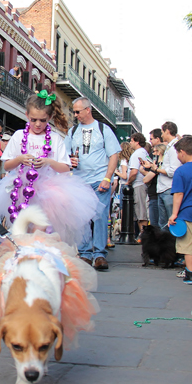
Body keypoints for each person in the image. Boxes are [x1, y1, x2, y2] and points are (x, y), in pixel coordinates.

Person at [0, 93, 98, 248]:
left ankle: (39, 258)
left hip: (49, 193)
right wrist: (20, 159)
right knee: (21, 231)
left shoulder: (55, 139)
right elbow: (7, 165)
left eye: (42, 120)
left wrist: (48, 161)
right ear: (27, 115)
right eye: (33, 119)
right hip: (20, 189)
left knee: (40, 232)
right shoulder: (19, 135)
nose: (37, 124)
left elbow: (65, 168)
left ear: (49, 117)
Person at [67, 97, 121, 270]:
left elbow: (114, 155)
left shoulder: (103, 129)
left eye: (77, 111)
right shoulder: (73, 131)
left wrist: (107, 177)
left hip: (99, 179)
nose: (75, 115)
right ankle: (85, 253)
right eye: (74, 112)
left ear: (88, 110)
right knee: (82, 217)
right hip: (80, 181)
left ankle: (99, 254)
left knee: (100, 217)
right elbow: (65, 154)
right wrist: (69, 160)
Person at [167, 136, 192, 284]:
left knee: (189, 246)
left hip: (186, 212)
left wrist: (174, 214)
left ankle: (190, 274)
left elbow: (178, 194)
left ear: (182, 152)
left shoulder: (180, 171)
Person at [141, 122, 179, 229]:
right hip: (162, 189)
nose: (162, 135)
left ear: (167, 131)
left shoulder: (174, 148)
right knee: (163, 225)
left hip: (168, 189)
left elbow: (172, 170)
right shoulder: (169, 148)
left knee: (169, 224)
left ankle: (170, 245)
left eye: (162, 132)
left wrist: (157, 169)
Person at [126, 133, 150, 237]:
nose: (130, 143)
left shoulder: (136, 154)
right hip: (144, 184)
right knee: (141, 211)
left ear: (137, 142)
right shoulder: (145, 152)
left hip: (139, 184)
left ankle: (142, 236)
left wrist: (128, 182)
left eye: (131, 141)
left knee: (141, 212)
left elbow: (134, 172)